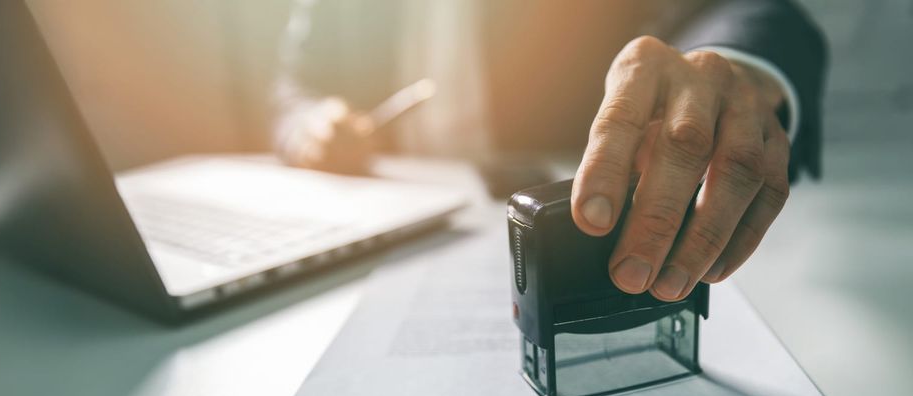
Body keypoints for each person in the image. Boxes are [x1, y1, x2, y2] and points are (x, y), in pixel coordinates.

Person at [271, 0, 827, 301]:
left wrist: (732, 69)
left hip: (572, 214)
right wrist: (306, 121)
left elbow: (759, 11)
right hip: (389, 218)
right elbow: (293, 84)